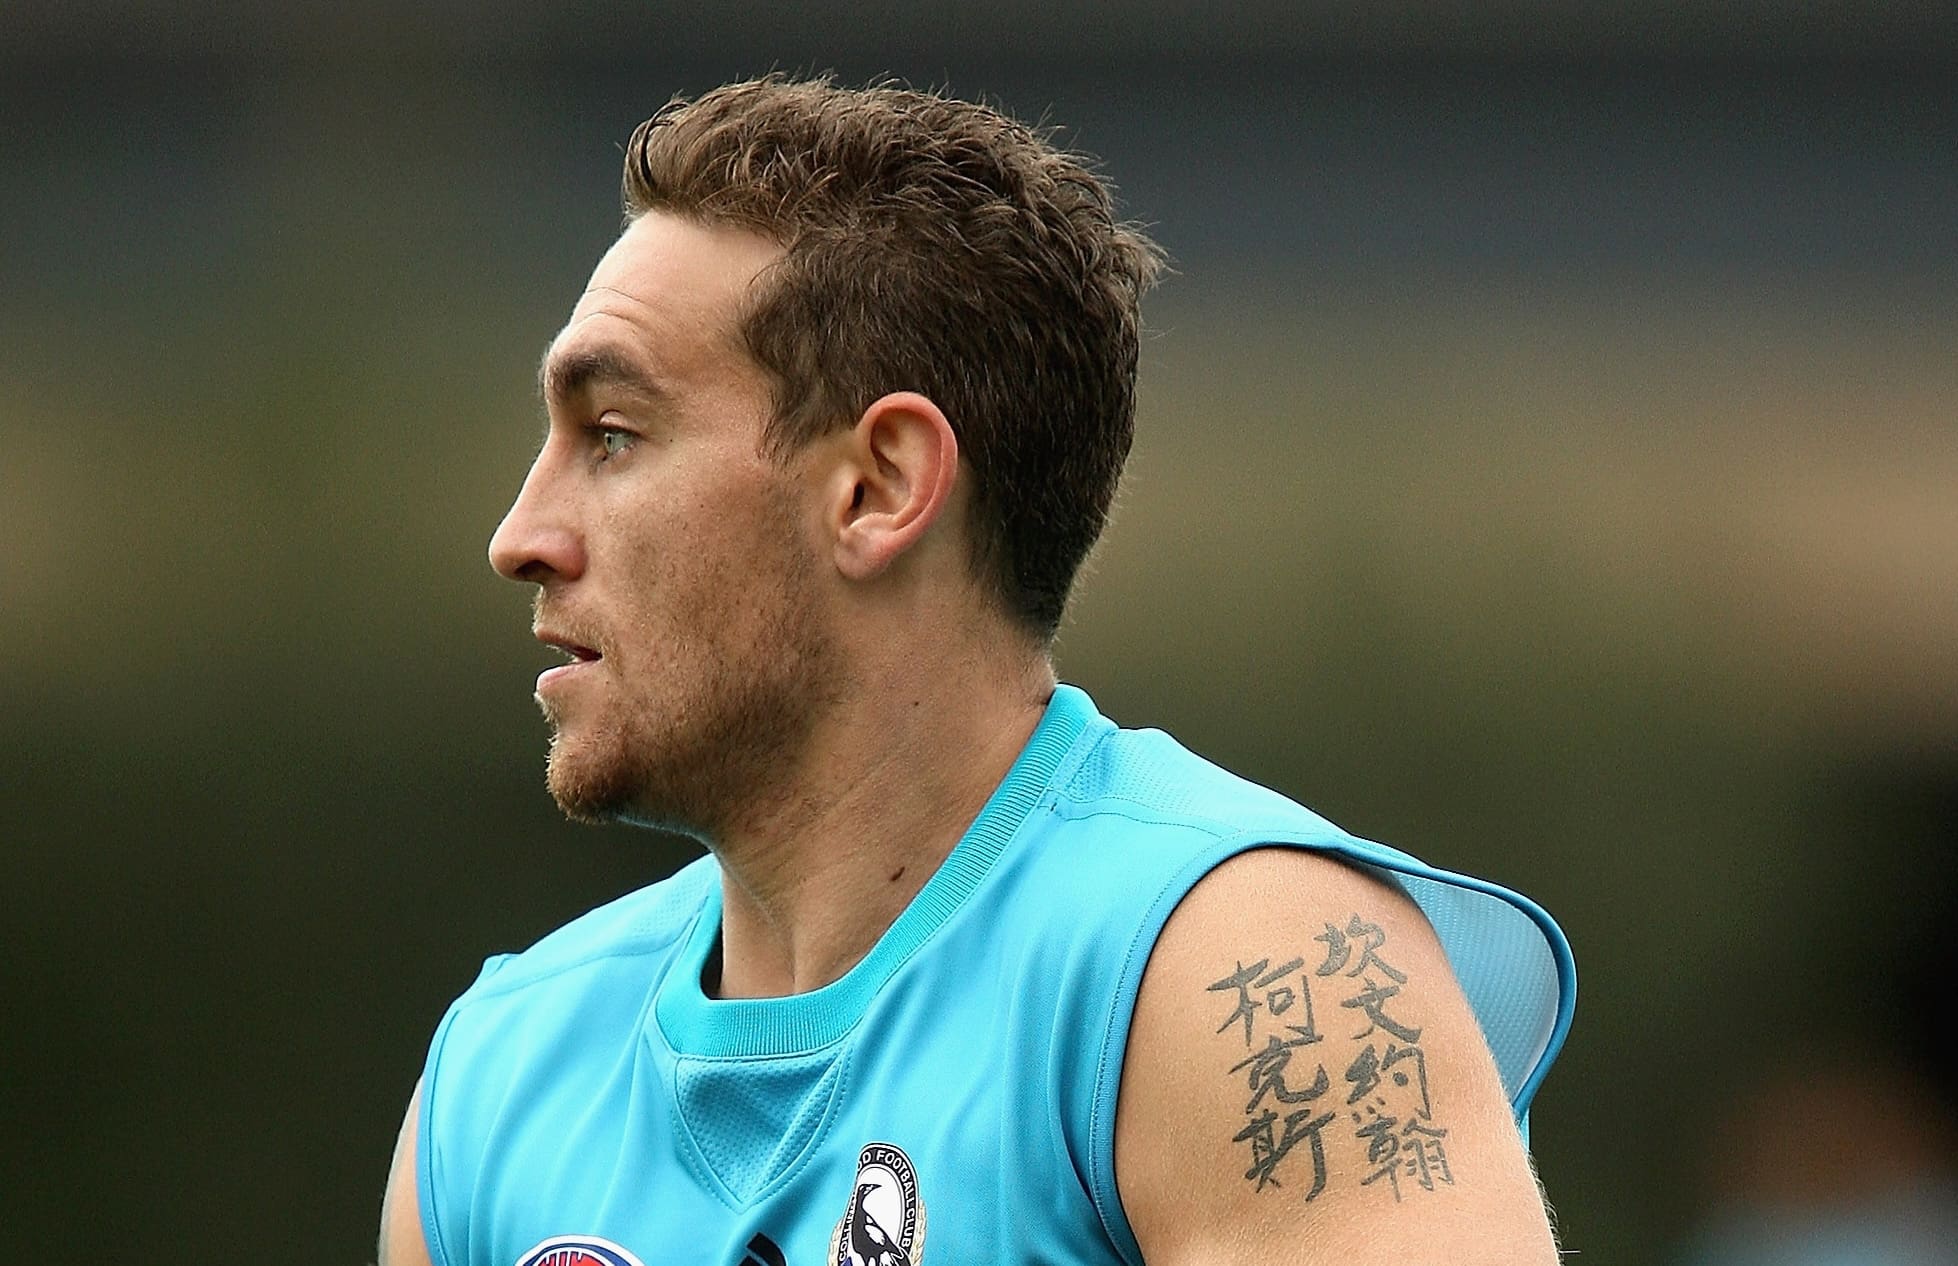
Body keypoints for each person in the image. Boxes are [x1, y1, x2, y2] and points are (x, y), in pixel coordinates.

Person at [378, 76, 1575, 1266]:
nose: (521, 536)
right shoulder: (497, 1083)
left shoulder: (1240, 974)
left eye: (614, 436)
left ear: (879, 486)